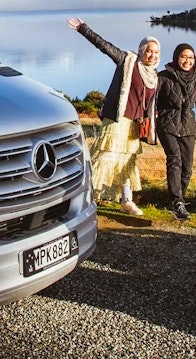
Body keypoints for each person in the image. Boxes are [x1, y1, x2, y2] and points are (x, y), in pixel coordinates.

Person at [67, 17, 159, 216]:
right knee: (104, 158)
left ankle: (126, 202)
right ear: (142, 50)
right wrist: (83, 29)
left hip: (134, 126)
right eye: (149, 50)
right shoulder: (127, 60)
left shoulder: (155, 75)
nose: (152, 55)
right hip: (117, 121)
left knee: (127, 162)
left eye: (155, 52)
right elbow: (104, 46)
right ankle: (82, 197)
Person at [155, 43, 196, 220]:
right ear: (176, 57)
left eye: (190, 57)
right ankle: (177, 201)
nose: (187, 60)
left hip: (188, 127)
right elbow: (151, 101)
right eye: (183, 56)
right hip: (167, 124)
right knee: (174, 160)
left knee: (187, 167)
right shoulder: (163, 77)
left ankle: (179, 200)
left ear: (195, 60)